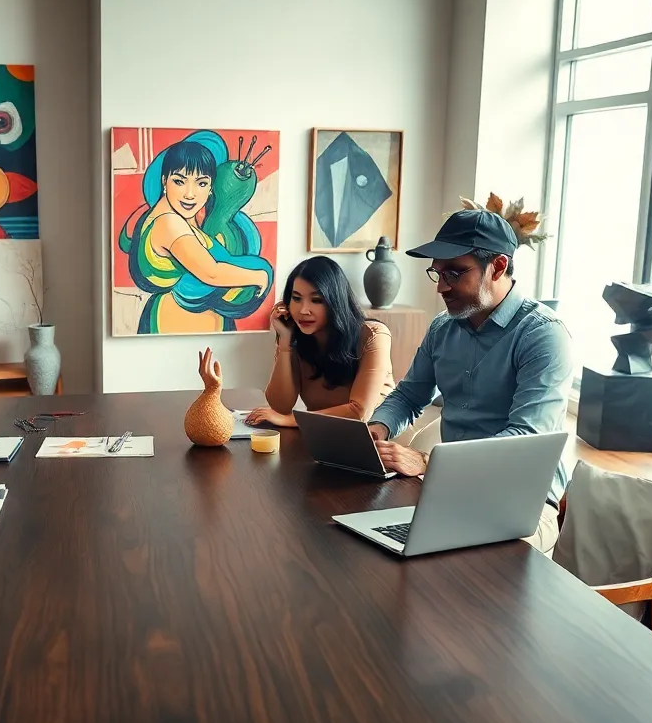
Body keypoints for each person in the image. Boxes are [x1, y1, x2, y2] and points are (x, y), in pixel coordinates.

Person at [366, 209, 574, 554]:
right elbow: (408, 395)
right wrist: (378, 428)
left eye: (455, 273)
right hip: (451, 490)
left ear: (499, 266)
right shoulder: (442, 327)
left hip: (523, 501)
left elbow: (524, 441)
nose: (442, 287)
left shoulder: (543, 336)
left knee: (466, 568)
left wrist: (428, 464)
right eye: (438, 272)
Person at [117, 132, 274, 334]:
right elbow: (211, 272)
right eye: (180, 181)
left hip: (196, 326)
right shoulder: (170, 224)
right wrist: (260, 276)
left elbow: (126, 240)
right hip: (173, 326)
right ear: (165, 181)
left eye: (201, 183)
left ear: (211, 188)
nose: (190, 194)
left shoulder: (164, 214)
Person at [246, 256, 395, 427]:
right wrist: (285, 344)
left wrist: (293, 420)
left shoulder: (373, 336)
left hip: (377, 441)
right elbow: (280, 406)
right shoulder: (296, 335)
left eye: (316, 300)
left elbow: (360, 412)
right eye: (296, 298)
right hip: (320, 436)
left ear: (335, 302)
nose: (303, 310)